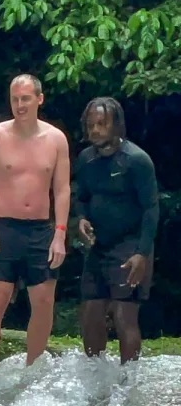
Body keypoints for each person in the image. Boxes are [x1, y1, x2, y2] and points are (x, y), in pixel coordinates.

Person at [0, 74, 70, 371]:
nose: (19, 104)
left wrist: (60, 233)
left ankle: (33, 367)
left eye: (25, 98)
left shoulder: (56, 139)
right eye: (14, 99)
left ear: (39, 99)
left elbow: (62, 189)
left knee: (43, 300)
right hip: (2, 226)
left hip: (40, 228)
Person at [75, 97, 159, 364]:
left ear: (116, 125)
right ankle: (95, 374)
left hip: (130, 245)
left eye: (102, 124)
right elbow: (82, 197)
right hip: (100, 246)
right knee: (90, 313)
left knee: (124, 315)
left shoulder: (137, 160)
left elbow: (151, 208)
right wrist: (81, 219)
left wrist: (142, 253)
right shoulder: (86, 159)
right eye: (91, 125)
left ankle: (128, 378)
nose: (95, 130)